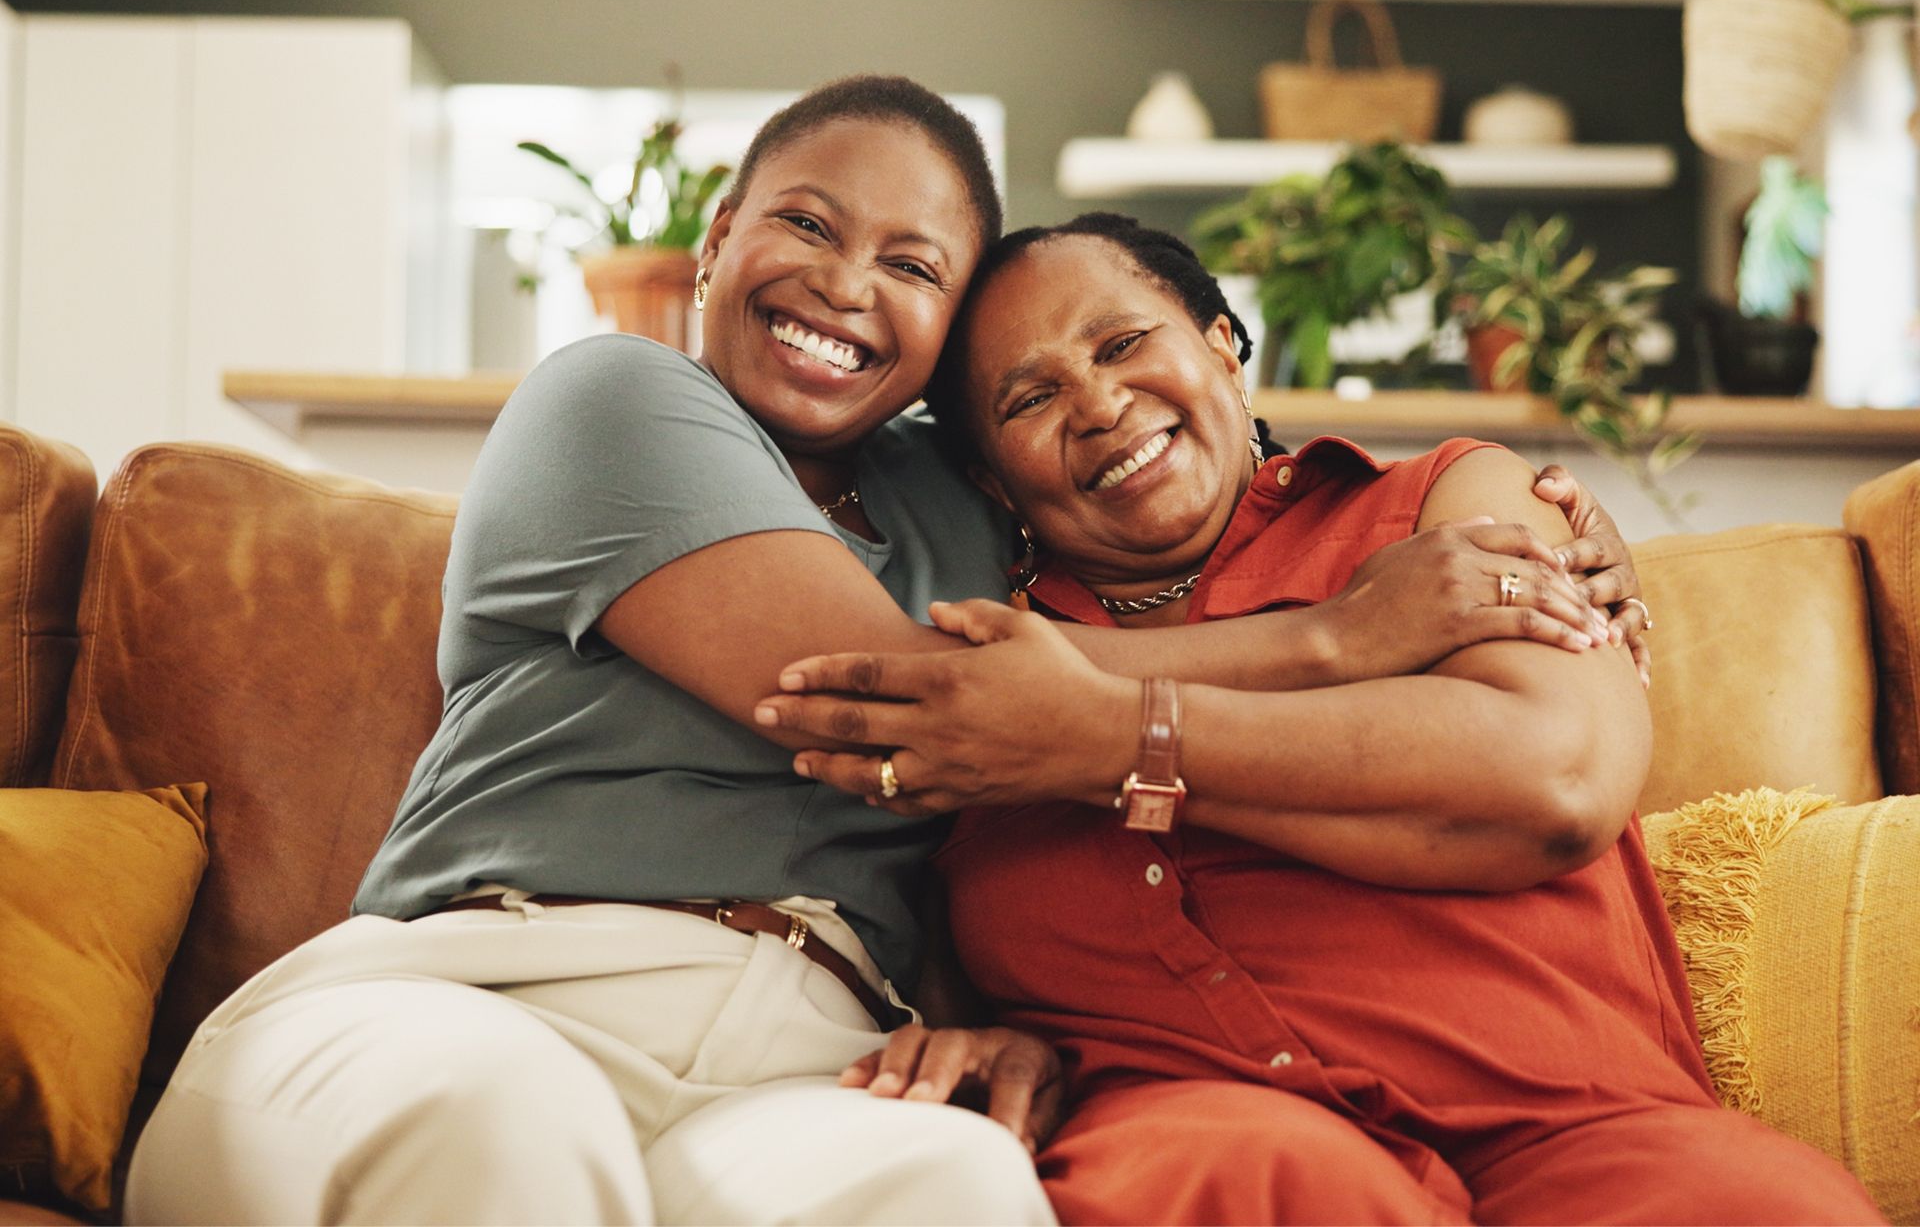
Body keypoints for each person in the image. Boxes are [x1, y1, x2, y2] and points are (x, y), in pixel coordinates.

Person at [127, 76, 1647, 1226]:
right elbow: (909, 715)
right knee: (497, 1128)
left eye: (915, 268)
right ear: (717, 241)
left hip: (812, 1058)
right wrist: (1338, 637)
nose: (850, 287)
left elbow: (1182, 482)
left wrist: (1556, 535)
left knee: (955, 1189)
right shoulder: (617, 404)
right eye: (807, 223)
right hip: (480, 992)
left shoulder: (979, 499)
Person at [755, 213, 1886, 1225]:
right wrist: (972, 1024)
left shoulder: (1447, 509)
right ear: (993, 479)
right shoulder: (977, 666)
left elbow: (1556, 779)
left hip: (1574, 1118)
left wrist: (1112, 737)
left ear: (1223, 344)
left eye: (1121, 343)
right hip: (1204, 1134)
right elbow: (915, 899)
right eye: (1030, 397)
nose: (1098, 405)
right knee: (1245, 1176)